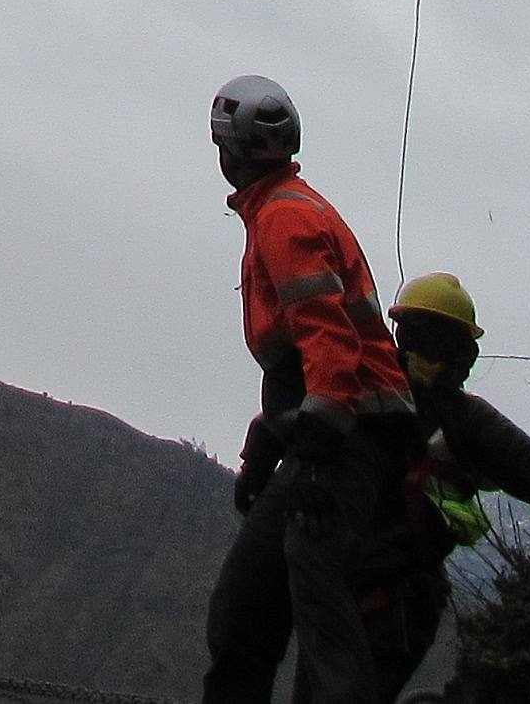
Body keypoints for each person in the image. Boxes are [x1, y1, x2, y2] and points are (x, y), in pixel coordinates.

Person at [200, 76, 417, 704]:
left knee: (312, 592)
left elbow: (328, 344)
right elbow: (304, 363)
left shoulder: (285, 219)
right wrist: (268, 443)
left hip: (350, 436)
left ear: (228, 149)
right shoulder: (283, 210)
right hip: (342, 431)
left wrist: (318, 456)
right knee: (247, 607)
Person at [351, 273, 530, 696]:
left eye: (444, 345)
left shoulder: (462, 421)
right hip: (348, 601)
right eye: (420, 338)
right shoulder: (363, 397)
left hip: (390, 606)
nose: (430, 356)